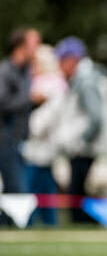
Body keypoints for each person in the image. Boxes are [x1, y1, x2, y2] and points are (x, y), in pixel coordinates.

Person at [54, 36, 107, 224]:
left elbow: (95, 118)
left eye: (62, 60)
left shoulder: (86, 81)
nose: (60, 66)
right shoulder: (89, 77)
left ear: (72, 59)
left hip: (85, 149)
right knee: (79, 194)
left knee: (78, 197)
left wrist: (82, 142)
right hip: (88, 148)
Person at [22, 44, 68, 226]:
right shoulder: (38, 88)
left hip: (42, 150)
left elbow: (38, 126)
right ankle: (46, 223)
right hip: (39, 150)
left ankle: (33, 223)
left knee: (35, 191)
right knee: (43, 190)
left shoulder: (52, 89)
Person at [0, 27, 42, 196]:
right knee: (17, 192)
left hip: (20, 140)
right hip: (5, 141)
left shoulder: (26, 72)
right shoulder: (5, 72)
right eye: (34, 44)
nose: (37, 49)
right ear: (21, 46)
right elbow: (2, 104)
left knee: (13, 193)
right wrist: (30, 99)